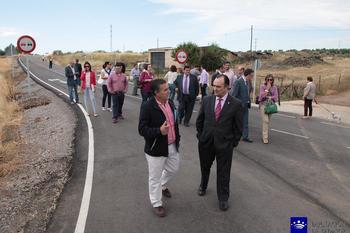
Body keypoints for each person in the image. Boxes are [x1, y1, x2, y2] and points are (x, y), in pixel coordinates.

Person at [196, 74, 243, 211]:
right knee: (205, 167)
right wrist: (201, 136)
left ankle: (223, 198)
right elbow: (200, 121)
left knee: (223, 172)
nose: (215, 89)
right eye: (214, 85)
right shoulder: (207, 100)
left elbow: (238, 128)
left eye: (219, 86)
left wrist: (232, 143)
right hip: (206, 142)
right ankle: (203, 186)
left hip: (225, 144)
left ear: (227, 87)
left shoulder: (236, 104)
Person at [138, 79, 181, 217]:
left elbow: (174, 123)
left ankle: (163, 185)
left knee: (174, 169)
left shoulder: (170, 102)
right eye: (165, 90)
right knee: (154, 177)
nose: (169, 91)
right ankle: (156, 203)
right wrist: (158, 131)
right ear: (156, 93)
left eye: (168, 88)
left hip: (172, 144)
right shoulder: (147, 106)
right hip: (156, 148)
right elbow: (142, 129)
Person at [232, 68, 254, 142]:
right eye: (251, 76)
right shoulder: (238, 82)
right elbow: (234, 95)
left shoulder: (247, 82)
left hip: (246, 105)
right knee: (237, 122)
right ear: (247, 75)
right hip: (239, 106)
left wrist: (248, 101)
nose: (252, 77)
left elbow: (247, 93)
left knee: (245, 122)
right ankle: (234, 135)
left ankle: (245, 136)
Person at [258, 74, 278, 144]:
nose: (269, 81)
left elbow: (276, 97)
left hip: (270, 106)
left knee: (267, 122)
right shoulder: (262, 86)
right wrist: (267, 89)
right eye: (268, 79)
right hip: (263, 105)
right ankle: (265, 137)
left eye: (271, 80)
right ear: (266, 80)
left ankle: (265, 133)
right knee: (266, 121)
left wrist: (270, 97)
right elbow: (261, 97)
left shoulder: (274, 87)